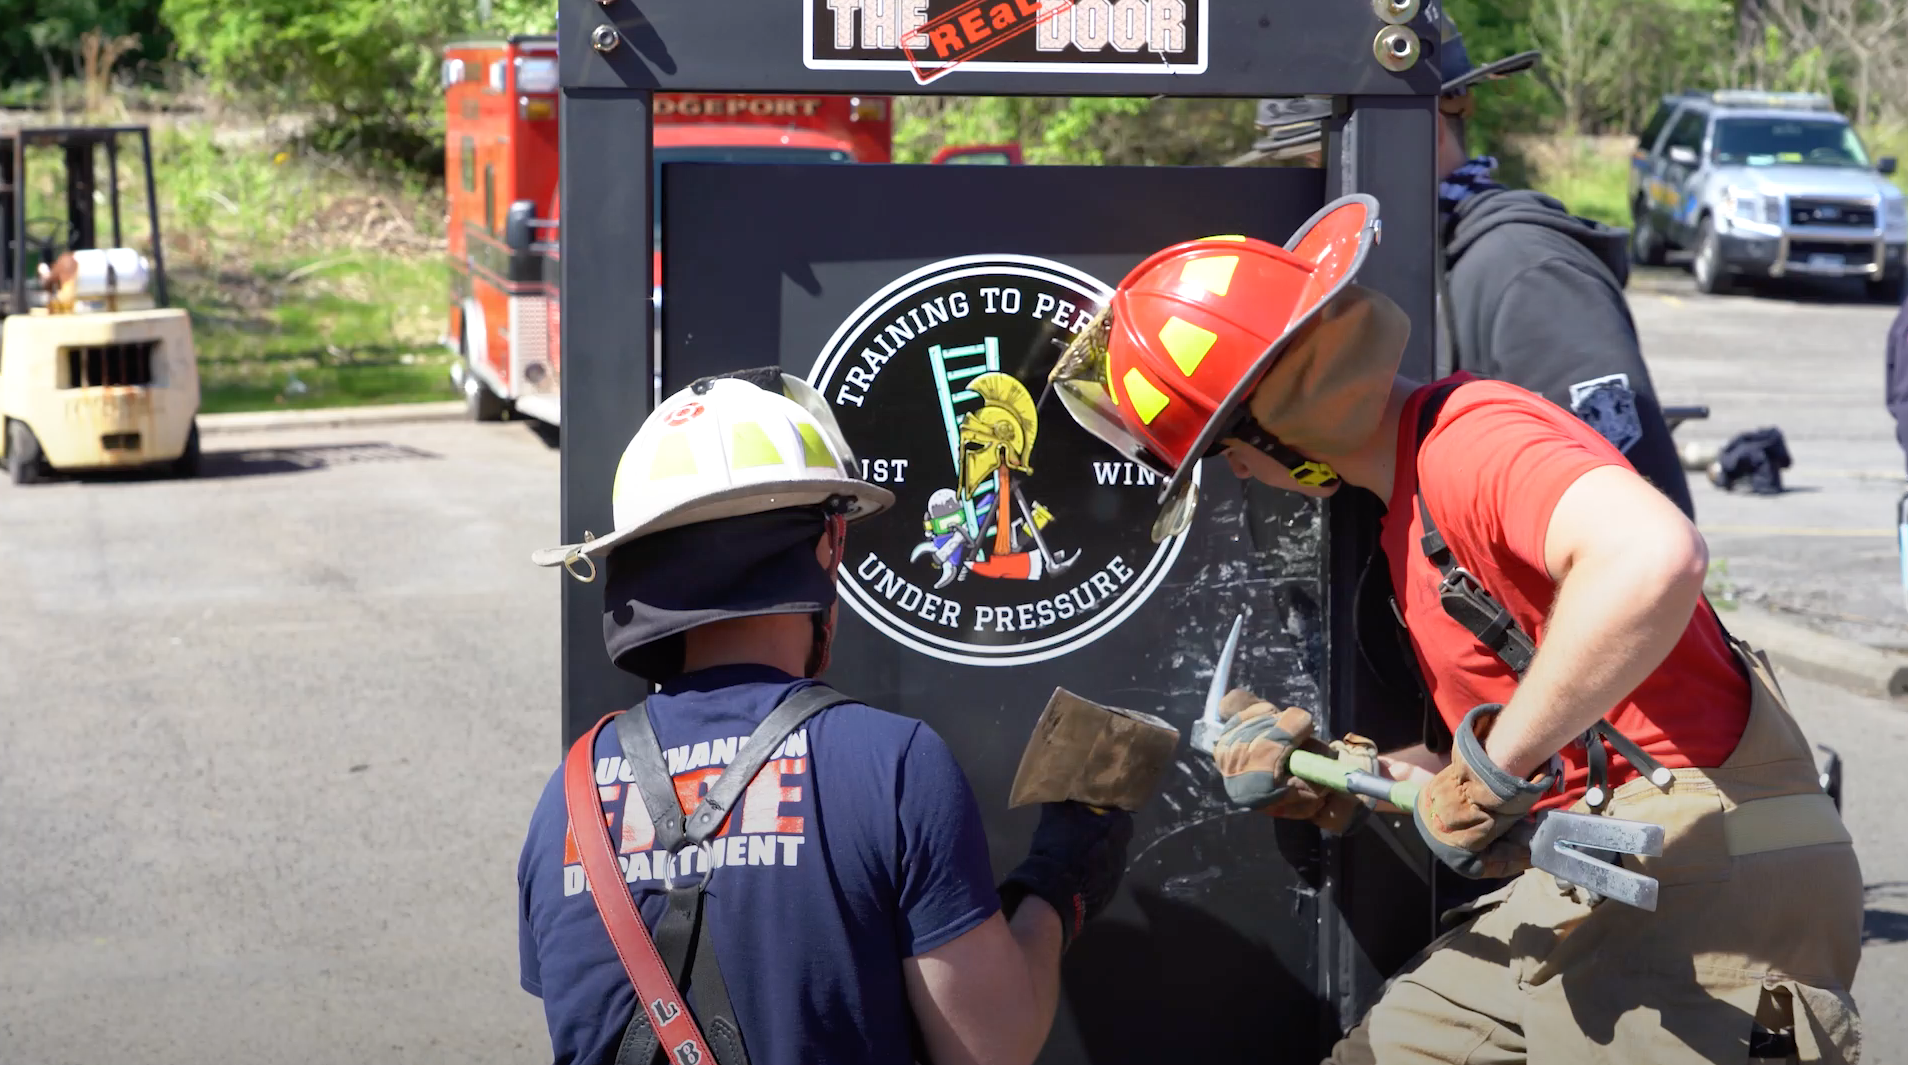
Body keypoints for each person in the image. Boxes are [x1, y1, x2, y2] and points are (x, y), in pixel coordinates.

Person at [1049, 196, 1861, 1060]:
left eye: (1223, 449)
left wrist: (1491, 769)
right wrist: (1348, 774)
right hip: (1597, 868)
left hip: (1710, 874)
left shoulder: (1470, 442)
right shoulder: (1408, 501)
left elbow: (1655, 557)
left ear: (1278, 420)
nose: (1240, 472)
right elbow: (1538, 754)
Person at [517, 369, 1132, 1065]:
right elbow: (992, 1046)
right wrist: (1056, 884)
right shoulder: (893, 766)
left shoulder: (568, 799)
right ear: (827, 545)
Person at [1246, 12, 1696, 520]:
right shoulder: (1422, 263)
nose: (1319, 193)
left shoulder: (1530, 274)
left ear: (1423, 131)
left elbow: (1641, 528)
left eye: (1318, 164)